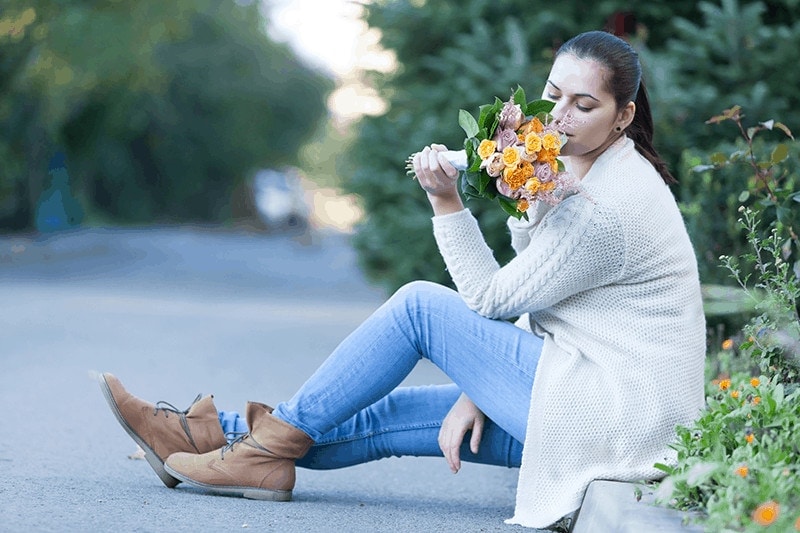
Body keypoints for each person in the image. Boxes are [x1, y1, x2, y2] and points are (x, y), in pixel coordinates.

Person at [98, 30, 706, 529]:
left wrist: (446, 201)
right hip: (591, 401)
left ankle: (251, 451)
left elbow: (490, 298)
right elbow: (542, 295)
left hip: (608, 414)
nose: (561, 117)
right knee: (375, 415)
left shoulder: (603, 208)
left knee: (420, 307)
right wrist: (477, 385)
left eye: (585, 105)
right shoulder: (586, 173)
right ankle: (207, 436)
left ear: (624, 116)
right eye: (553, 96)